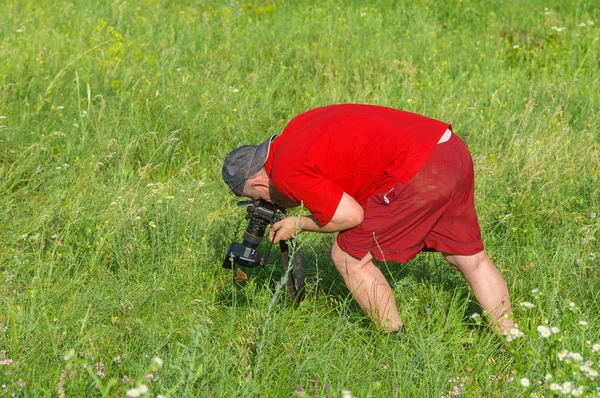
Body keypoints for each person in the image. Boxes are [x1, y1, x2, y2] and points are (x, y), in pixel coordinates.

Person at [222, 104, 513, 333]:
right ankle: (513, 342)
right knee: (470, 259)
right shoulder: (295, 130)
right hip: (449, 148)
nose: (264, 203)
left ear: (258, 183)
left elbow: (350, 215)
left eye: (256, 197)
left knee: (348, 255)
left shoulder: (285, 171)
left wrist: (299, 223)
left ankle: (394, 342)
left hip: (420, 170)